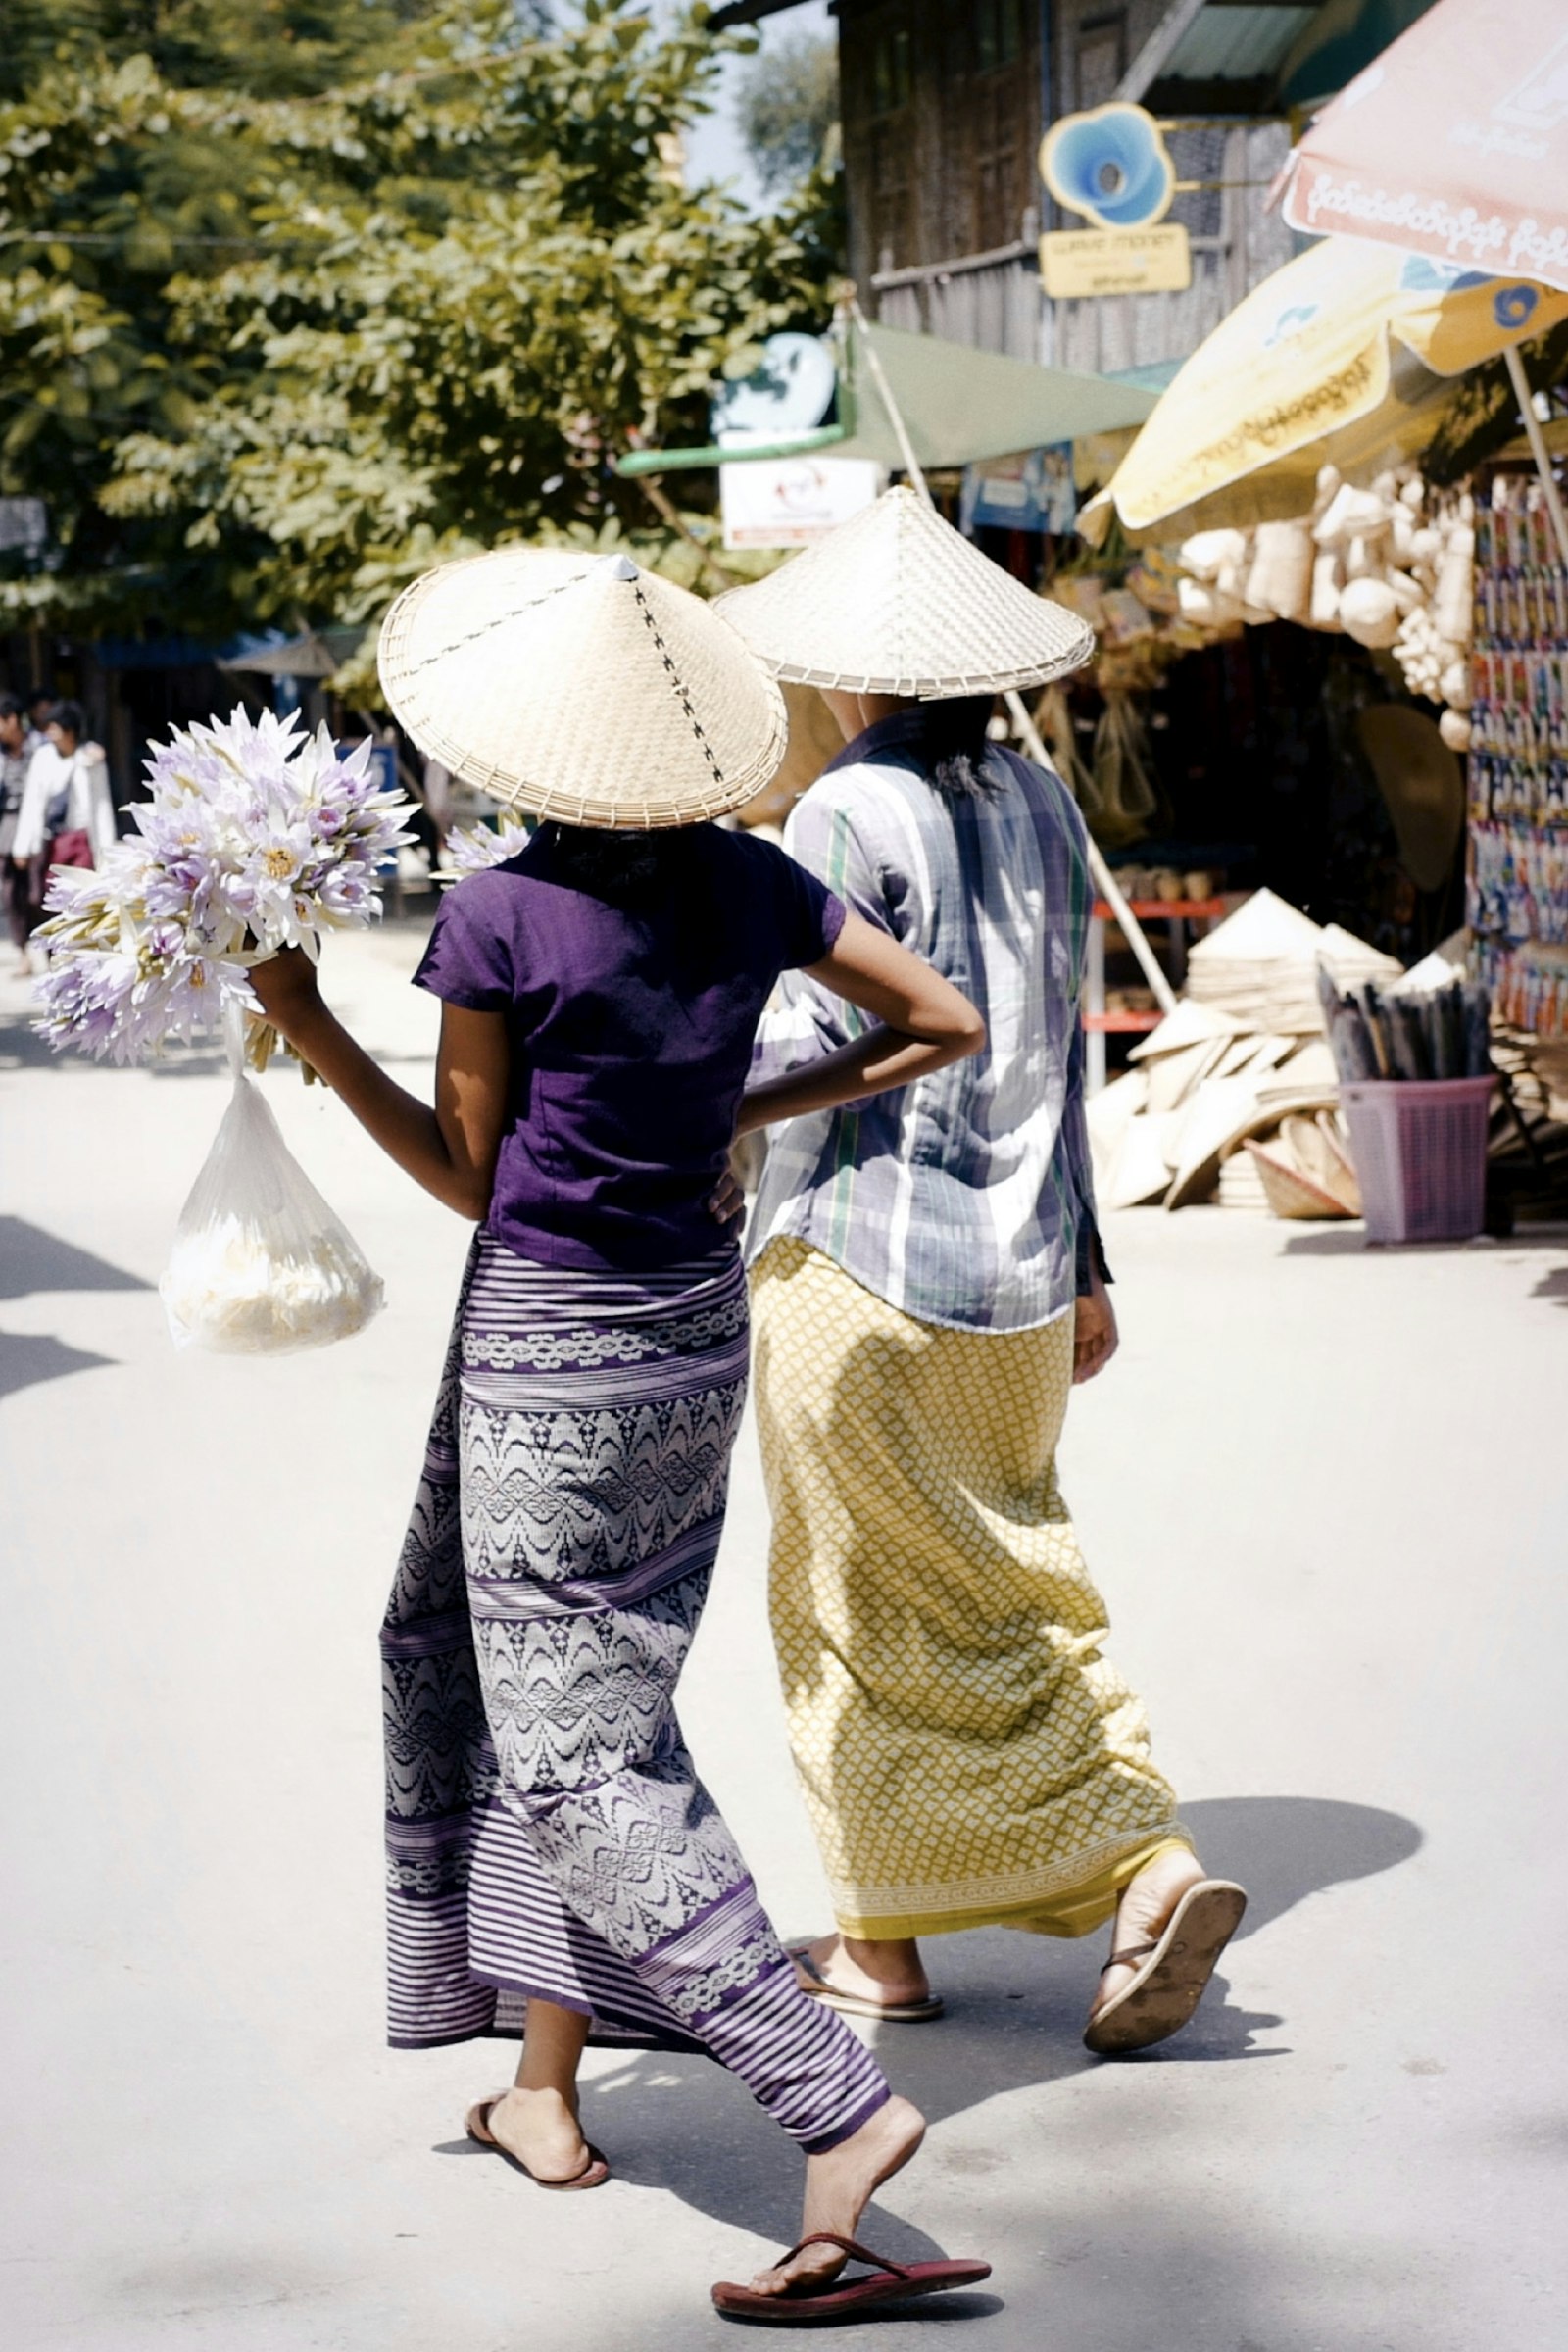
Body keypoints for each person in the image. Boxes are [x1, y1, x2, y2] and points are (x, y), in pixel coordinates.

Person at [249, 550, 990, 2321]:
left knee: (578, 1756)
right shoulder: (754, 878)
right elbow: (946, 1021)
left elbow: (468, 1183)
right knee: (592, 1707)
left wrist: (313, 1029)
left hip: (556, 1363)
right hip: (689, 1341)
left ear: (525, 747)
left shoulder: (502, 915)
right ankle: (549, 2096)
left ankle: (832, 2105)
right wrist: (755, 1099)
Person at [718, 488, 1247, 2057]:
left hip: (858, 1266)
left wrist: (702, 1105)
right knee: (1019, 1585)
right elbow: (1059, 1053)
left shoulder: (836, 816)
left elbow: (815, 1045)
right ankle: (1090, 1873)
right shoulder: (1035, 801)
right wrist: (1089, 1261)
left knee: (845, 1604)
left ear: (846, 673)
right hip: (1021, 1277)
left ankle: (1099, 1875)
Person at [12, 699, 117, 879]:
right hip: (52, 839)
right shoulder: (43, 757)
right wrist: (22, 847)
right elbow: (32, 803)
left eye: (55, 728)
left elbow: (102, 805)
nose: (51, 733)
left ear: (69, 731)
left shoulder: (90, 758)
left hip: (82, 838)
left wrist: (107, 850)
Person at [0, 693, 44, 972]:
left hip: (38, 825)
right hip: (6, 825)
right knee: (9, 892)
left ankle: (49, 948)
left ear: (12, 720)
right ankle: (22, 951)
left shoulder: (41, 747)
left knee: (37, 892)